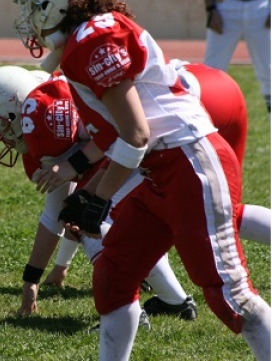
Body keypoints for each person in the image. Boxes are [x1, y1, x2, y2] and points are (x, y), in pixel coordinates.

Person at [13, 0, 270, 360]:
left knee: (230, 295)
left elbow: (136, 135)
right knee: (114, 277)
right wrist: (90, 190)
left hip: (189, 161)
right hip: (160, 169)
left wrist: (97, 197)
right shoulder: (84, 40)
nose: (29, 16)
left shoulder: (91, 41)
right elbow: (122, 136)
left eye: (33, 4)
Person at [0, 66, 194, 327]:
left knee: (94, 217)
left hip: (159, 141)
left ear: (16, 109)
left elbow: (117, 134)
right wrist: (39, 277)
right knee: (91, 215)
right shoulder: (44, 118)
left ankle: (127, 309)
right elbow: (60, 211)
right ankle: (174, 301)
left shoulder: (53, 118)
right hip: (151, 143)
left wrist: (76, 164)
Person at [42, 63, 271, 288]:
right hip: (211, 84)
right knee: (220, 208)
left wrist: (82, 174)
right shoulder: (86, 76)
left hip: (188, 116)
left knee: (147, 212)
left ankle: (173, 299)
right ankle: (171, 298)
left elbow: (128, 139)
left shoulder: (89, 86)